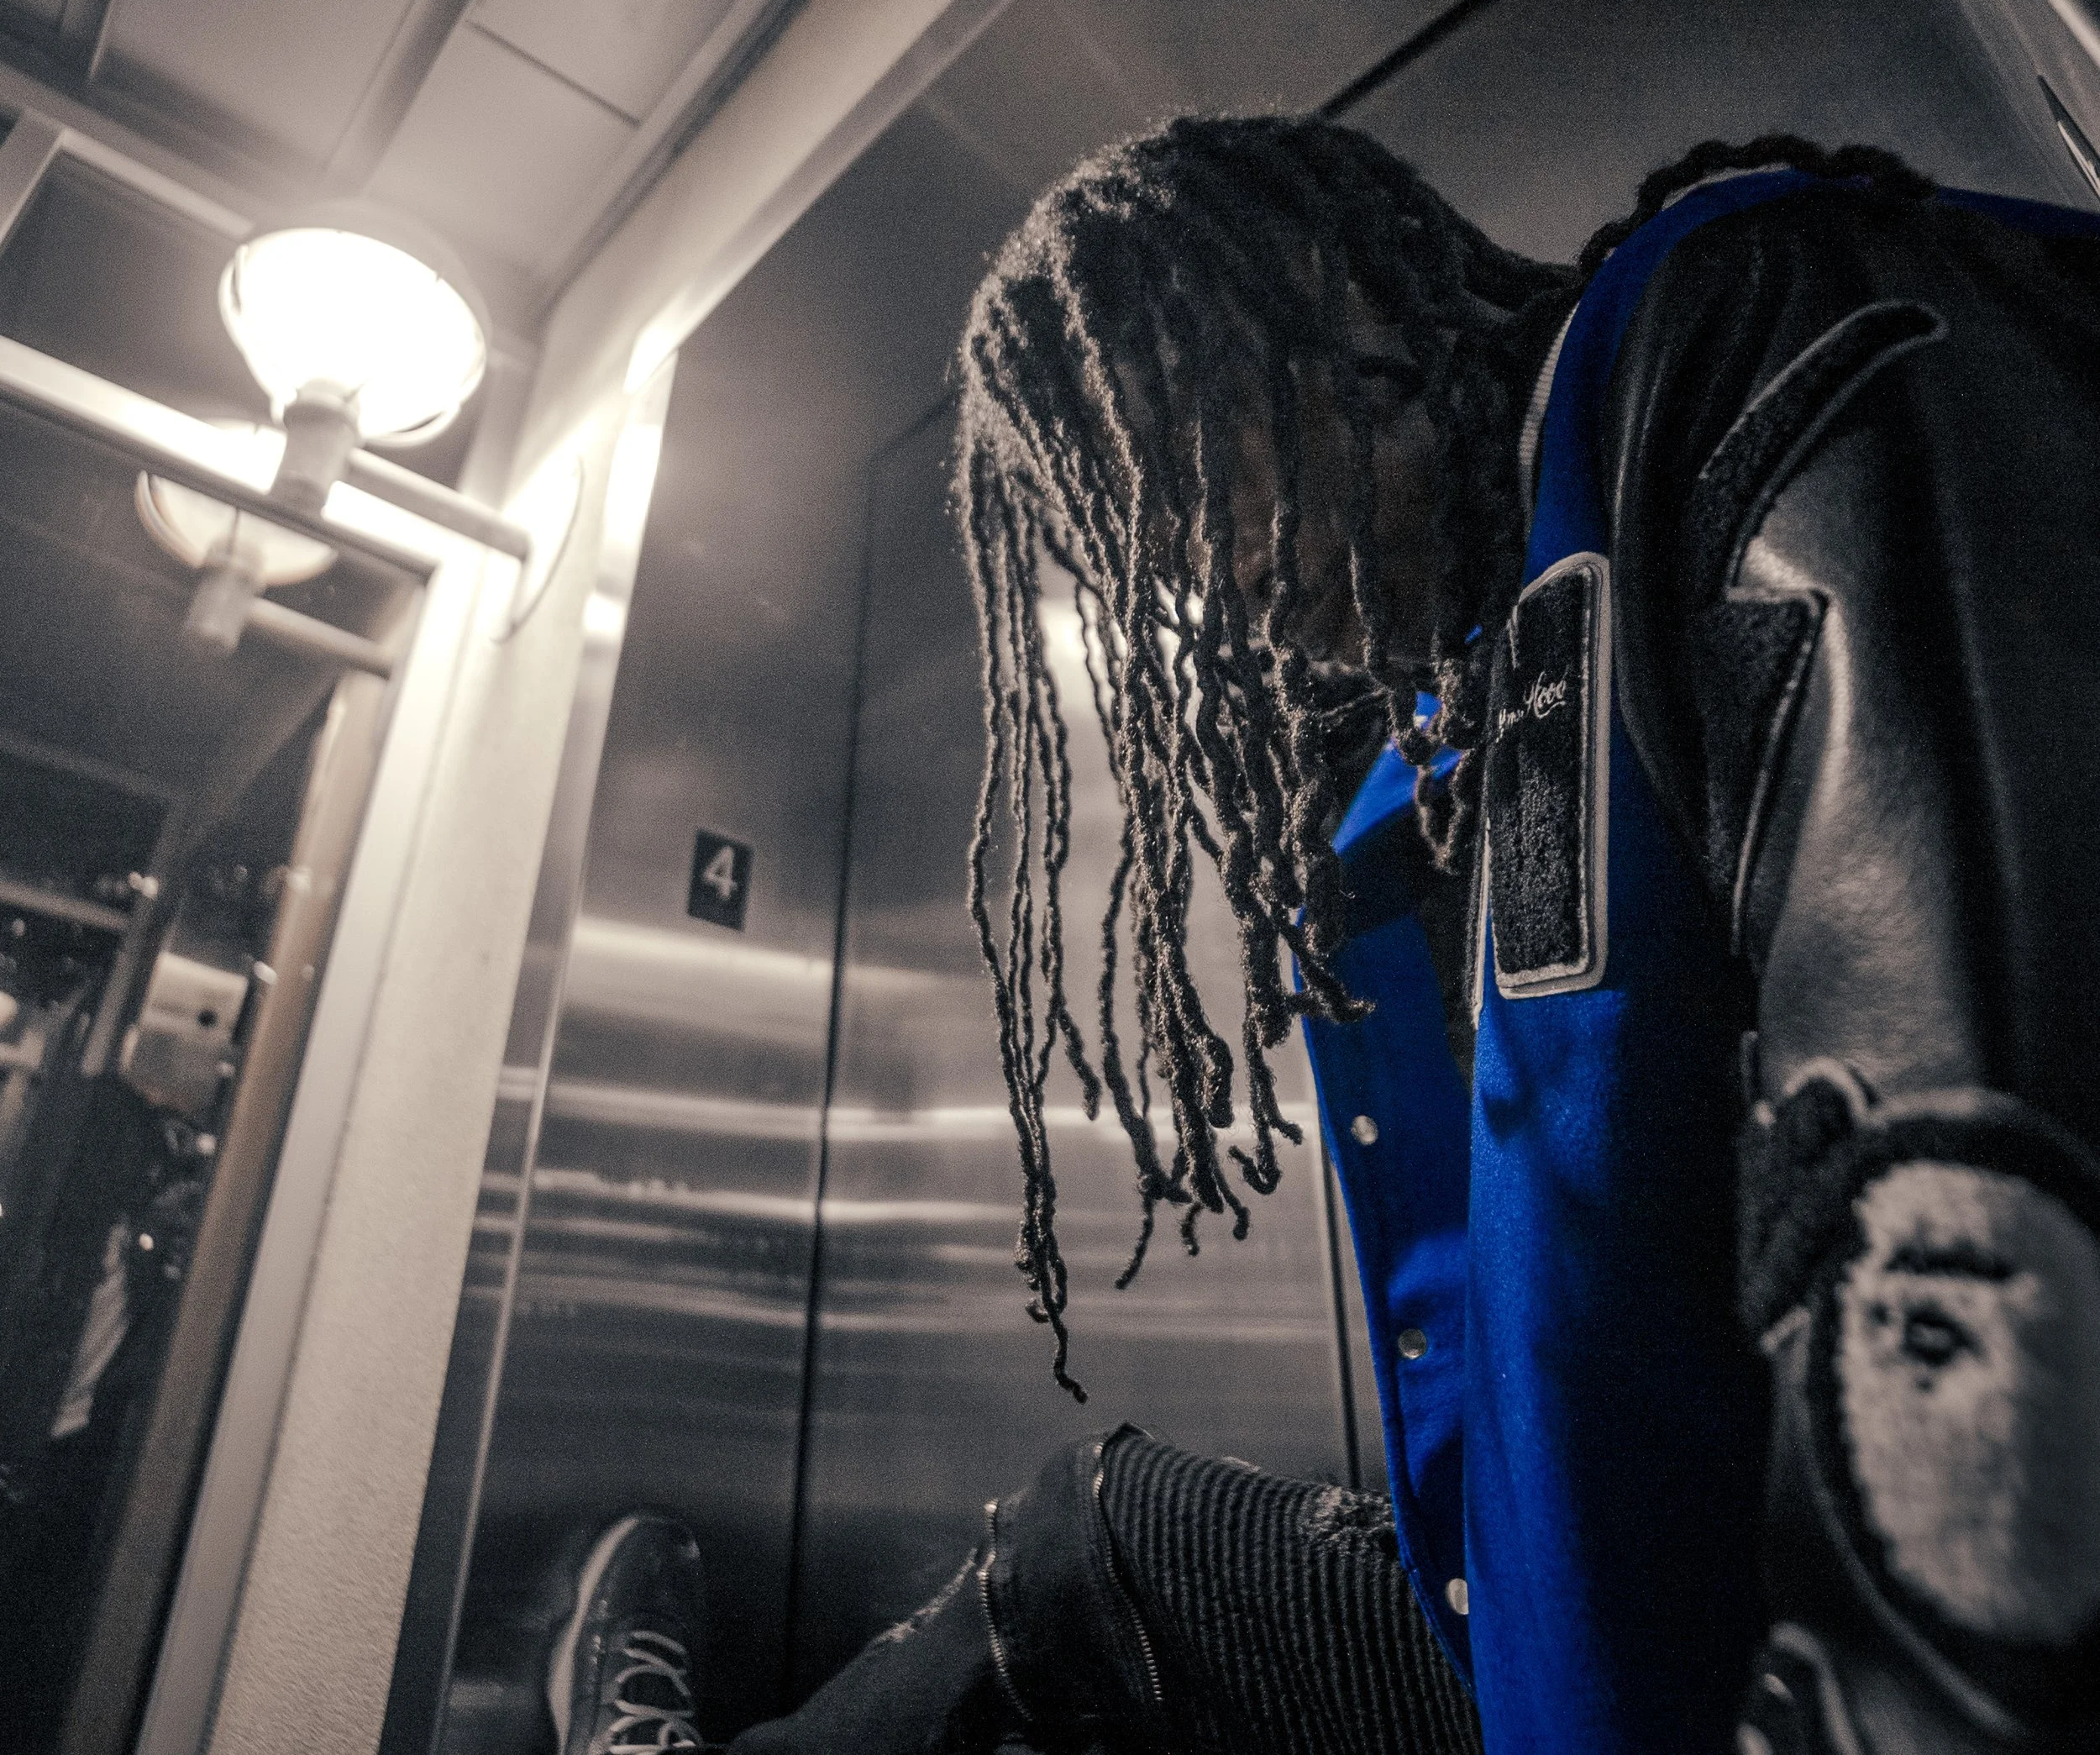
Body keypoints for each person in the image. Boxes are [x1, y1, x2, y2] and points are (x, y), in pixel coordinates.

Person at [545, 118, 2100, 1755]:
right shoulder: (1474, 720)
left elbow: (1987, 1188)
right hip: (1576, 1640)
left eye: (1181, 482)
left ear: (1325, 297)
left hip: (1816, 1662)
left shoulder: (1730, 326)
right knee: (1098, 1537)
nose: (1200, 587)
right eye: (1139, 555)